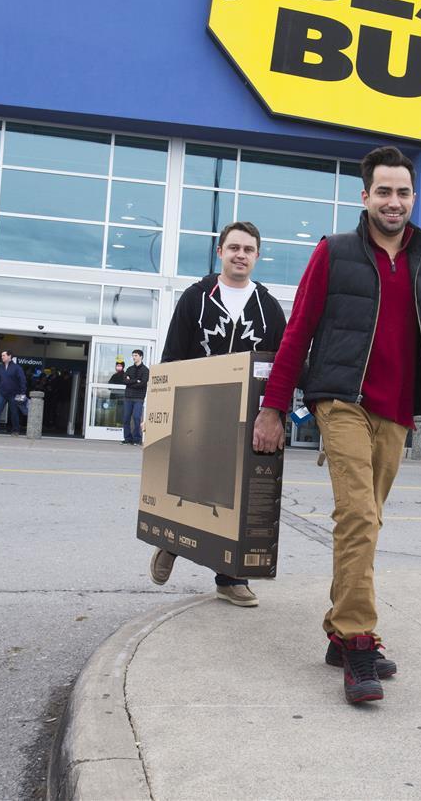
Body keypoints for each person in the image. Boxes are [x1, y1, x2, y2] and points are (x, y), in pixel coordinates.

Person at [253, 146, 421, 704]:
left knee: (367, 522)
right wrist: (274, 406)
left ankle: (339, 633)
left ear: (414, 197)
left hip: (397, 409)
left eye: (403, 192)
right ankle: (359, 639)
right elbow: (299, 332)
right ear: (365, 197)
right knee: (358, 513)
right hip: (340, 400)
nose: (394, 201)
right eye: (383, 191)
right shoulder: (334, 253)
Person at [150, 221, 287, 607]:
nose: (240, 255)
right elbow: (172, 357)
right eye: (234, 248)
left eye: (248, 249)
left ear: (257, 256)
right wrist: (158, 409)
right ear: (220, 252)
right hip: (197, 410)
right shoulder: (196, 298)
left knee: (236, 499)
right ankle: (170, 542)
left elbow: (283, 363)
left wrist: (283, 413)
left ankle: (231, 578)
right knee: (189, 486)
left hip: (246, 417)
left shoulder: (269, 307)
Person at [0, 350, 28, 436]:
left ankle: (16, 431)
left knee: (14, 412)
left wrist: (22, 393)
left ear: (10, 356)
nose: (2, 357)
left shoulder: (17, 368)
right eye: (2, 356)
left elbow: (22, 381)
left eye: (4, 355)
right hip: (2, 393)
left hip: (14, 394)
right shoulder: (0, 368)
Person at [122, 350, 149, 445]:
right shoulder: (129, 369)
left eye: (136, 355)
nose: (134, 357)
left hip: (139, 398)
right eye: (133, 355)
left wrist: (131, 382)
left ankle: (137, 439)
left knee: (137, 417)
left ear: (141, 357)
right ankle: (127, 439)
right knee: (126, 418)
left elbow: (142, 384)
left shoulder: (145, 370)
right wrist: (136, 381)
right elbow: (125, 381)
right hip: (128, 397)